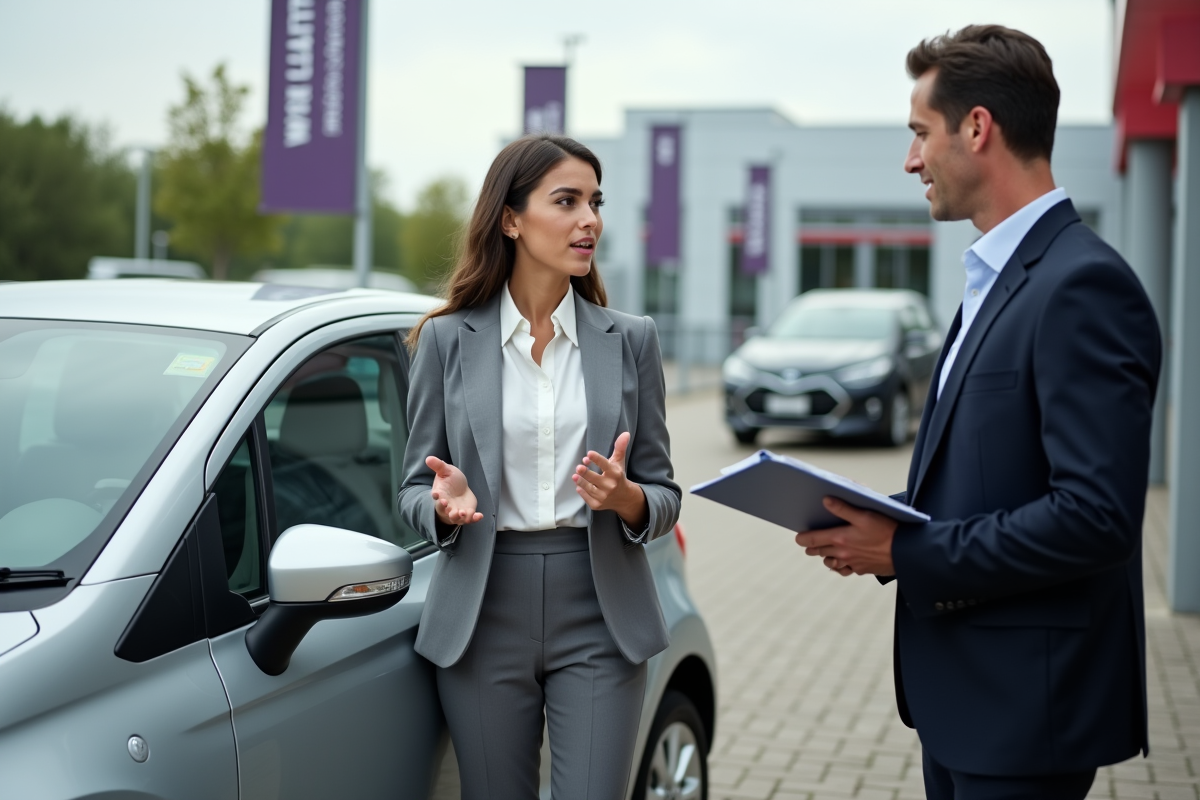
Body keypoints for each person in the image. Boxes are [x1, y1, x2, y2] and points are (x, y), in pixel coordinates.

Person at [794, 25, 1162, 800]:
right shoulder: (994, 276)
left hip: (1028, 713)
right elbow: (994, 479)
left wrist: (908, 554)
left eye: (919, 134)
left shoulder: (1082, 286)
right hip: (965, 702)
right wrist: (873, 519)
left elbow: (1095, 516)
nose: (910, 159)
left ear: (978, 127)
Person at [397, 134, 680, 799]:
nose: (590, 220)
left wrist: (627, 500)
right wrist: (442, 505)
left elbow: (664, 493)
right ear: (511, 218)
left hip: (601, 610)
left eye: (595, 202)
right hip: (483, 610)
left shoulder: (630, 339)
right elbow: (412, 488)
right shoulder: (445, 340)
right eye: (568, 201)